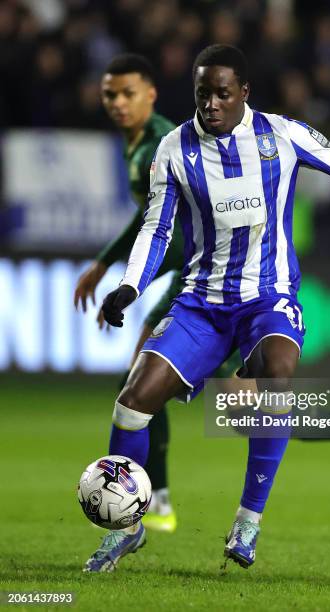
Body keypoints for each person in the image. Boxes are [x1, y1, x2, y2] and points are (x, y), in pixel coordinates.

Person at [84, 44, 330, 572]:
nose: (212, 104)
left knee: (275, 379)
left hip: (269, 297)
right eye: (202, 93)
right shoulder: (173, 149)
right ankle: (125, 528)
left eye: (223, 93)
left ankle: (247, 521)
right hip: (202, 303)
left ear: (244, 92)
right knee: (132, 403)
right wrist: (130, 286)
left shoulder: (282, 135)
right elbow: (157, 226)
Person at [74, 53, 182, 533]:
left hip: (210, 278)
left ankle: (156, 498)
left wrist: (123, 278)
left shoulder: (159, 147)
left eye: (127, 94)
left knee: (245, 405)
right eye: (109, 95)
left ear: (151, 94)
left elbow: (172, 232)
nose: (117, 103)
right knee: (244, 405)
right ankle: (156, 499)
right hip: (194, 275)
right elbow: (150, 221)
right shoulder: (139, 143)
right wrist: (107, 263)